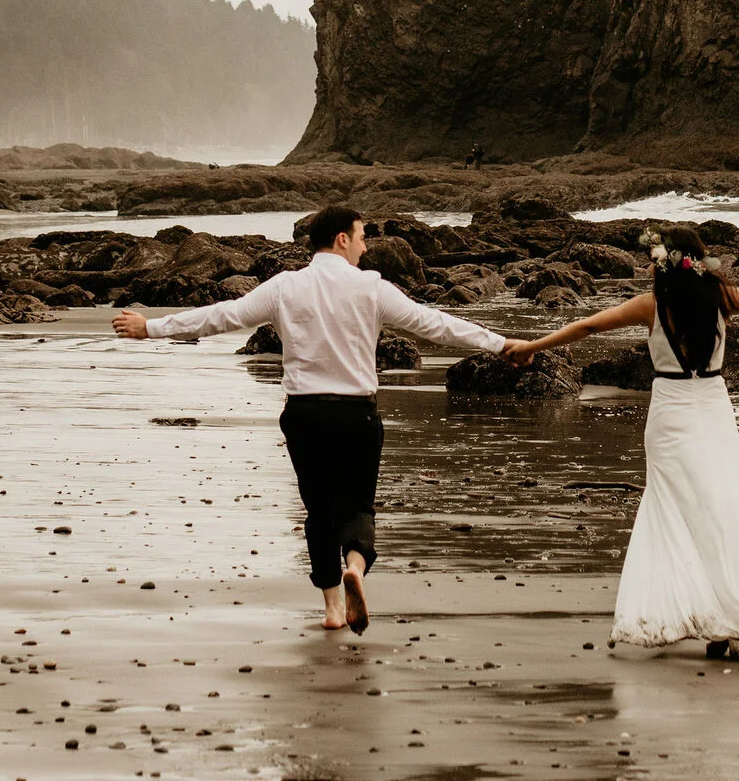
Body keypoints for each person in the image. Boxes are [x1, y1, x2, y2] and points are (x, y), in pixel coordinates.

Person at [112, 206, 510, 634]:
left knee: (319, 512)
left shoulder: (286, 286)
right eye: (361, 237)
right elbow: (435, 325)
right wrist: (501, 344)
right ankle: (355, 567)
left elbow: (222, 315)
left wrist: (151, 328)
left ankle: (334, 610)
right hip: (357, 413)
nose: (365, 246)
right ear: (341, 239)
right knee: (358, 506)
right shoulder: (372, 287)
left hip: (304, 414)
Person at [502, 225, 739, 661]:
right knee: (723, 512)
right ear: (699, 261)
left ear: (663, 262)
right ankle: (726, 619)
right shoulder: (724, 299)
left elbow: (587, 326)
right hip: (715, 410)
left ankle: (683, 611)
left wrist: (533, 344)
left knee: (671, 510)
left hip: (671, 412)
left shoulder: (651, 305)